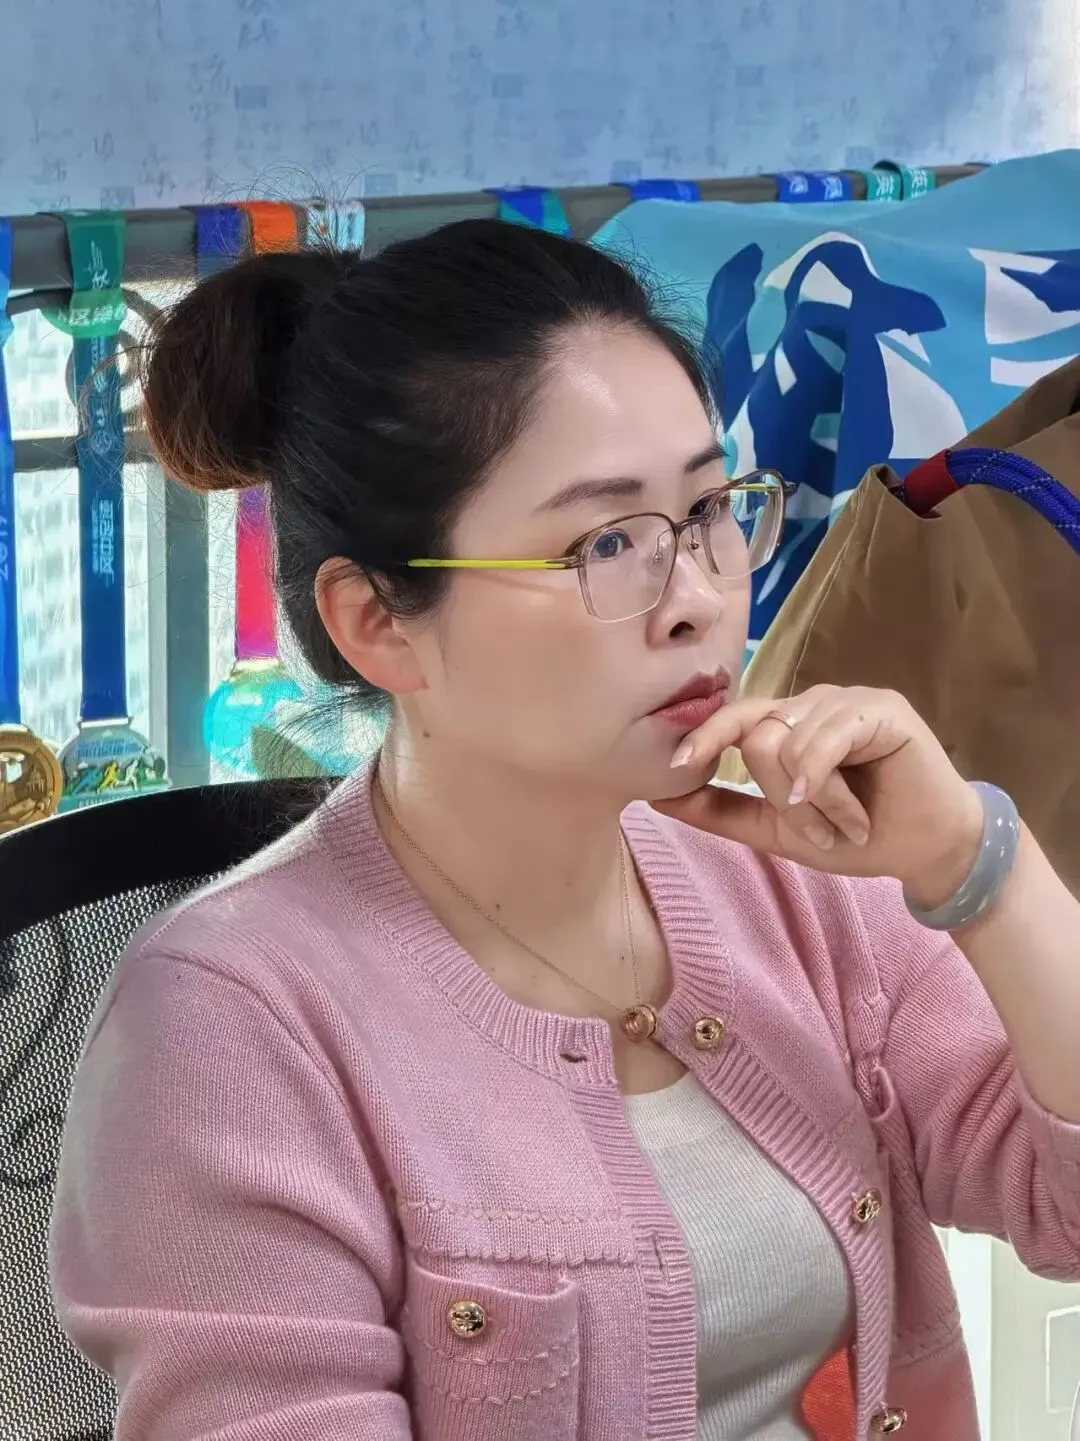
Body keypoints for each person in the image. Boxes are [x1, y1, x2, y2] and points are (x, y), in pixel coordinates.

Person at [49, 219, 1080, 1441]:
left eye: (709, 509)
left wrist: (974, 865)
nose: (699, 598)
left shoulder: (791, 870)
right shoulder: (228, 1030)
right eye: (608, 542)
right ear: (379, 623)